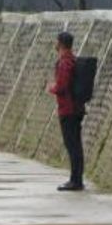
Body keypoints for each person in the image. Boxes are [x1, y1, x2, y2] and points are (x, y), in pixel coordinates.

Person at [46, 31, 84, 191]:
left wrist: (52, 88)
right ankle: (77, 178)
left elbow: (62, 86)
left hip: (68, 110)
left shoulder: (64, 63)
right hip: (77, 108)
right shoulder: (73, 60)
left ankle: (75, 180)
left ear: (60, 44)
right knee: (76, 145)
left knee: (72, 145)